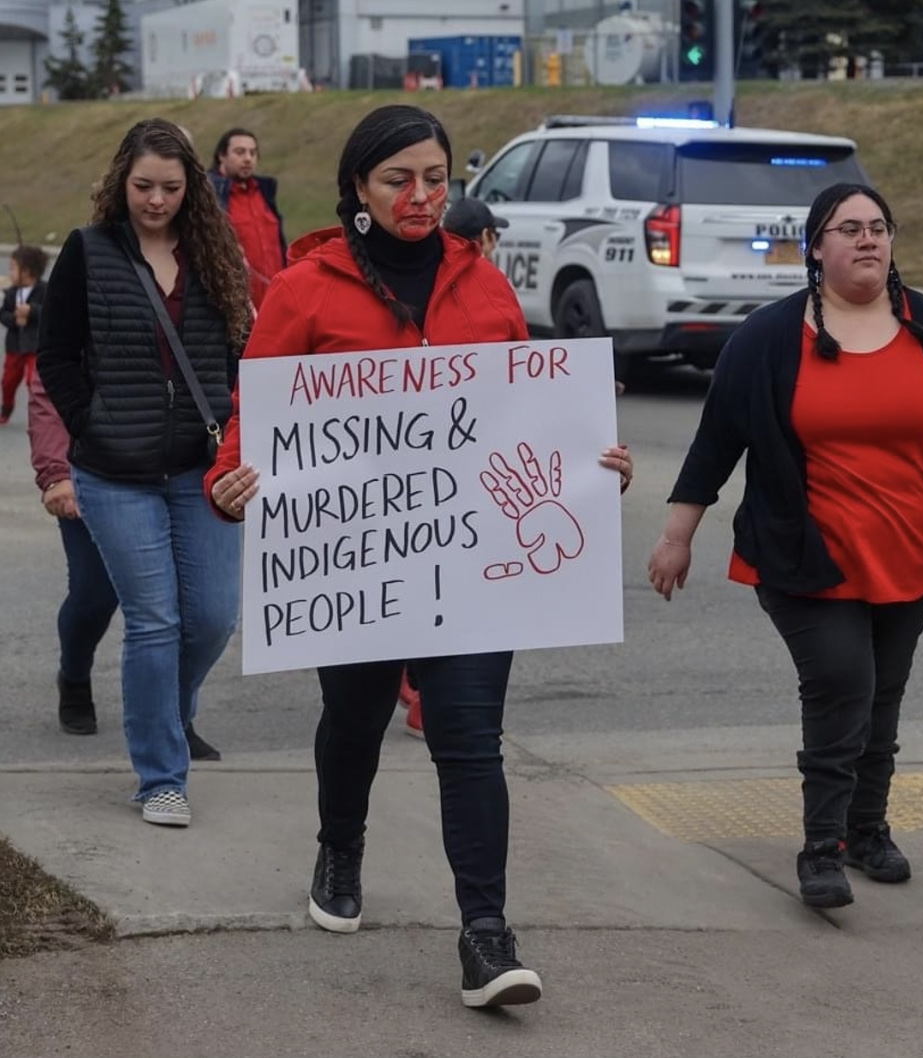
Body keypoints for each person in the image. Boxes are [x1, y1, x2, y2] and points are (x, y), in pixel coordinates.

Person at [204, 103, 633, 1009]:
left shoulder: (482, 287)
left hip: (474, 566)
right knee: (354, 722)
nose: (423, 196)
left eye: (437, 178)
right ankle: (341, 841)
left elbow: (530, 405)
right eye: (400, 179)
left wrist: (591, 465)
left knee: (470, 739)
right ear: (358, 187)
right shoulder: (306, 288)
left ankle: (487, 935)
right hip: (358, 565)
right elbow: (256, 409)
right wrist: (230, 473)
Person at [647, 181, 923, 911]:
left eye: (879, 227)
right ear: (816, 247)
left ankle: (868, 831)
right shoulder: (769, 338)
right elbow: (716, 444)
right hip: (804, 551)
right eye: (848, 228)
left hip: (913, 551)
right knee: (842, 683)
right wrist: (677, 538)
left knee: (881, 694)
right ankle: (821, 847)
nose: (867, 239)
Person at [38, 119, 253, 827]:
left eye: (169, 187)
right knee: (154, 622)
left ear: (191, 186)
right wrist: (91, 423)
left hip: (201, 468)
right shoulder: (89, 251)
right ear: (119, 183)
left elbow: (238, 356)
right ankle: (161, 774)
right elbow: (56, 355)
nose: (155, 200)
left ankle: (166, 710)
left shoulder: (214, 255)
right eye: (142, 187)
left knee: (214, 617)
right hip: (114, 472)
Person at [27, 367, 119, 735]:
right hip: (91, 467)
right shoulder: (78, 305)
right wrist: (56, 473)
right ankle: (75, 675)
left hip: (179, 469)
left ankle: (176, 715)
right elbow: (49, 383)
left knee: (188, 610)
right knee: (94, 593)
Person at [208, 128, 287, 310]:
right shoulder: (210, 195)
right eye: (240, 152)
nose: (248, 158)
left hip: (275, 301)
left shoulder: (265, 191)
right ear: (222, 156)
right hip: (235, 306)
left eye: (253, 153)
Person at [1, 244, 49, 425]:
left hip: (34, 347)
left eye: (13, 268)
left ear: (26, 271)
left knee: (33, 381)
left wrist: (31, 311)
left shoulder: (44, 290)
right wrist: (14, 318)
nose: (10, 272)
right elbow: (3, 314)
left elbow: (49, 312)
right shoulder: (11, 293)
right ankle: (6, 408)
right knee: (7, 382)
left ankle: (37, 413)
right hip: (14, 347)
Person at [442, 196, 508, 263]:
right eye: (495, 235)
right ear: (484, 237)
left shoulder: (435, 265)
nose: (494, 244)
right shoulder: (486, 272)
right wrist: (487, 261)